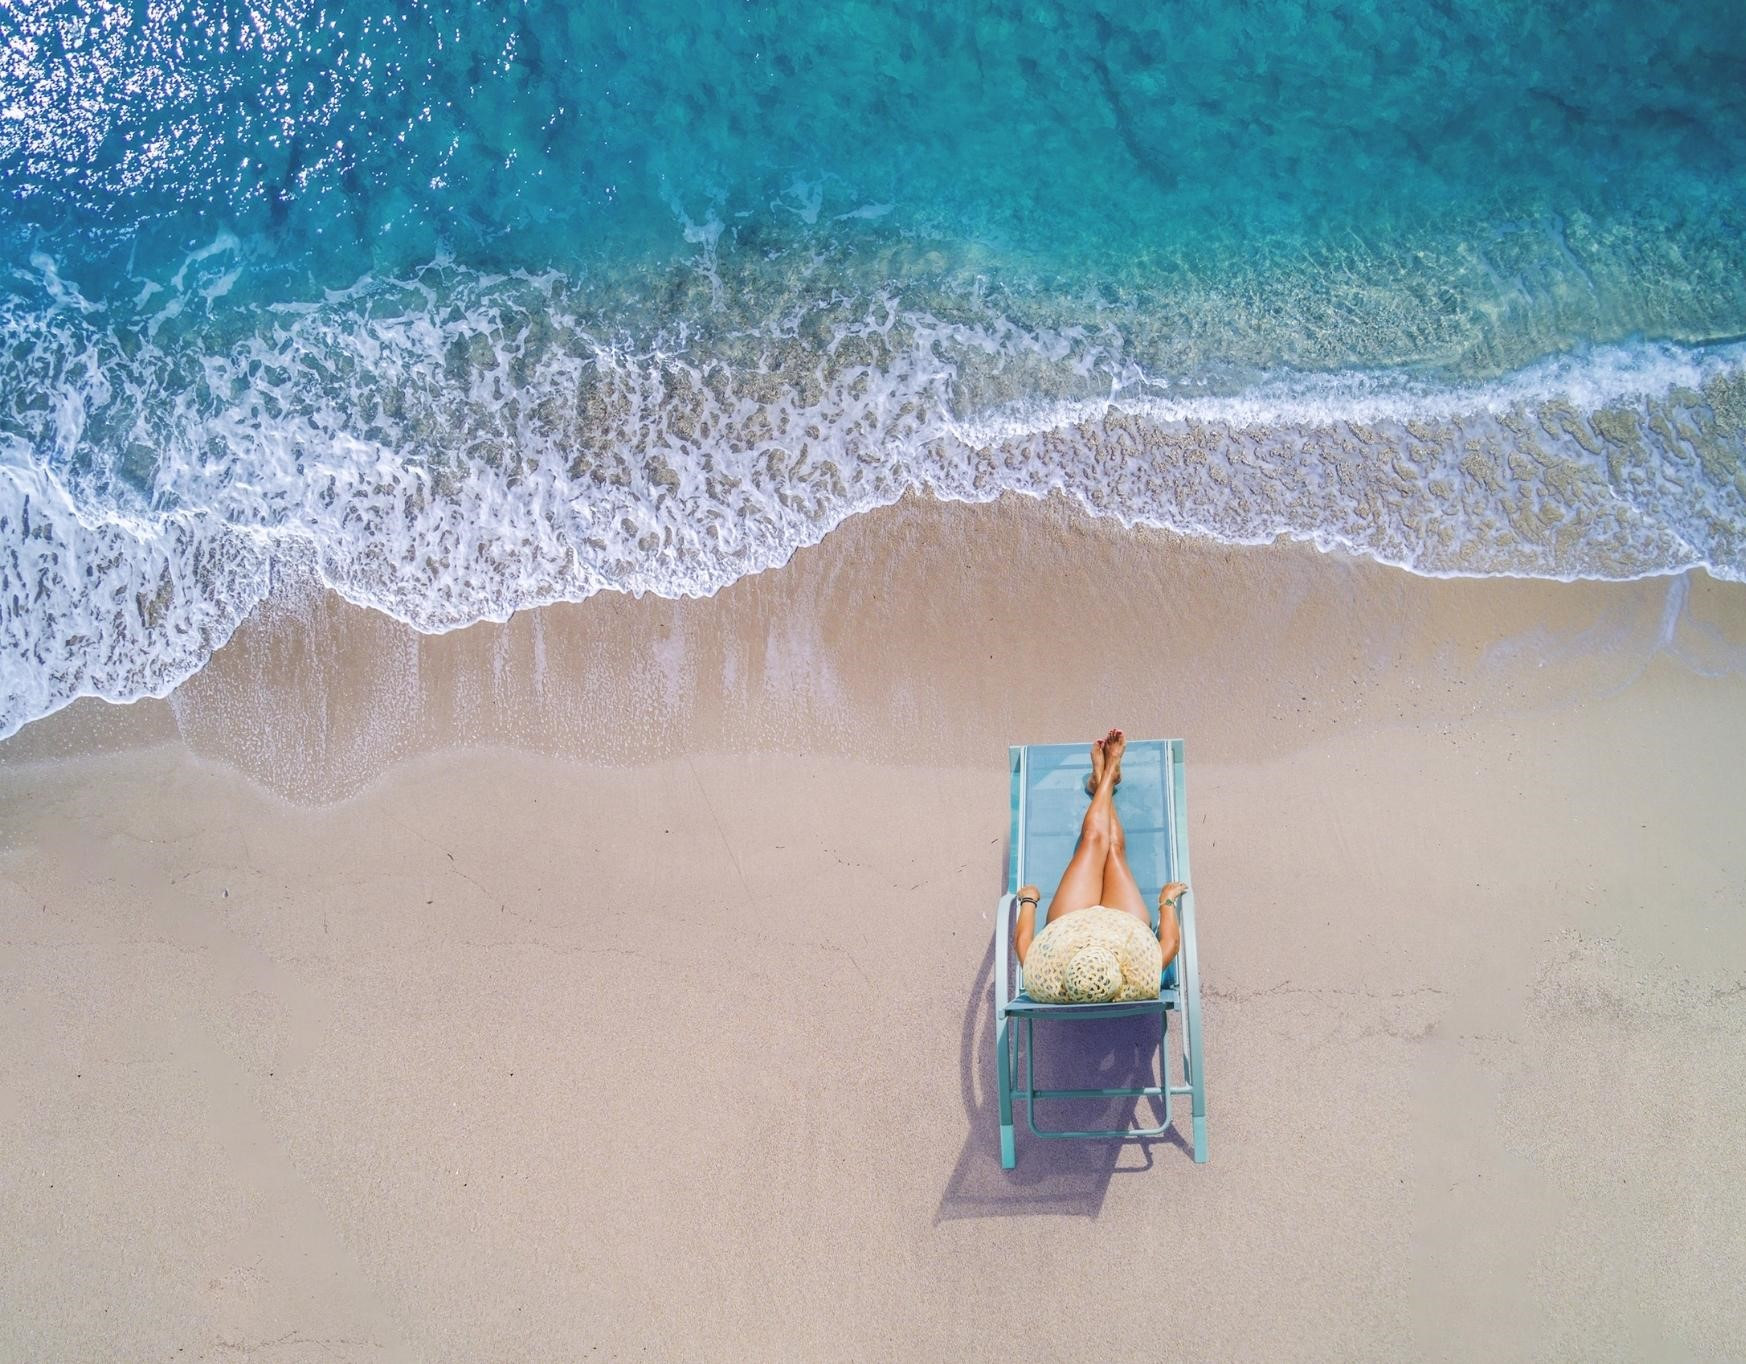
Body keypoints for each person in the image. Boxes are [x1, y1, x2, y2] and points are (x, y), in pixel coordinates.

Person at [1013, 729, 1185, 971]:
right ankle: (1108, 775)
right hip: (1125, 932)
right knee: (1112, 848)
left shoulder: (1050, 973)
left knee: (1094, 840)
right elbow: (1171, 942)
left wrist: (1029, 900)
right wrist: (1166, 901)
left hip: (1070, 929)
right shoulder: (1139, 972)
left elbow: (1023, 944)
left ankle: (1105, 778)